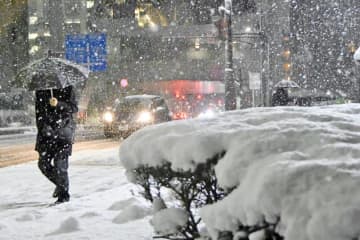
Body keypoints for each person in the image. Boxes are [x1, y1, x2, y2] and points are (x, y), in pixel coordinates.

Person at [35, 85, 78, 204]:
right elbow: (38, 113)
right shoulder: (41, 90)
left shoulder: (67, 88)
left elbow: (74, 108)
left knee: (60, 166)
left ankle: (64, 195)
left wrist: (58, 104)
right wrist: (44, 127)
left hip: (63, 132)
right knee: (43, 165)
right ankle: (60, 185)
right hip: (46, 134)